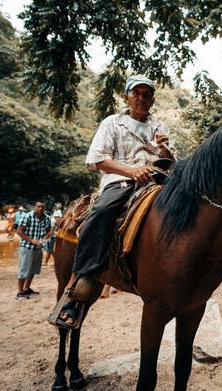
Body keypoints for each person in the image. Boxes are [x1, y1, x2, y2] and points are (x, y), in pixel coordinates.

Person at [53, 75, 175, 329]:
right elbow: (98, 159)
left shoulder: (160, 126)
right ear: (127, 96)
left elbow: (170, 161)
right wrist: (131, 172)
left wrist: (165, 152)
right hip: (121, 181)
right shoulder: (112, 123)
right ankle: (81, 282)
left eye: (147, 94)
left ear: (152, 100)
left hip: (157, 180)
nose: (142, 98)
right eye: (137, 93)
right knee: (100, 213)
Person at [15, 201, 53, 300]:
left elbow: (49, 231)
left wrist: (43, 240)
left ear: (45, 208)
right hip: (27, 247)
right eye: (39, 206)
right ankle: (20, 292)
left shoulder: (47, 218)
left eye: (43, 207)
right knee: (23, 269)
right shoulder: (28, 216)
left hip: (38, 247)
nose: (41, 208)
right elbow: (19, 231)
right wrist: (32, 240)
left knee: (33, 269)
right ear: (35, 207)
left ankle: (27, 288)